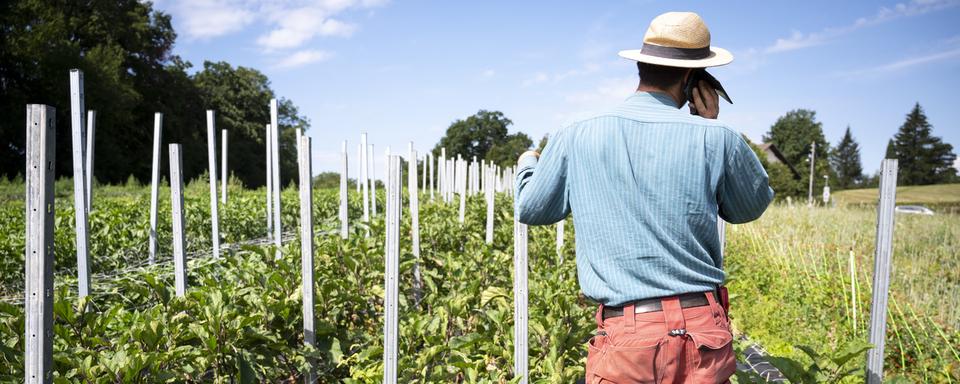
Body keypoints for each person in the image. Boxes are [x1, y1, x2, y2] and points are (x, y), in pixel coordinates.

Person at [514, 11, 774, 383]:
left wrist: (527, 164)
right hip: (702, 329)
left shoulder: (576, 132)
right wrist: (707, 128)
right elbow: (749, 207)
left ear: (640, 65)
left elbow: (532, 208)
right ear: (693, 78)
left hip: (628, 333)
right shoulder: (719, 139)